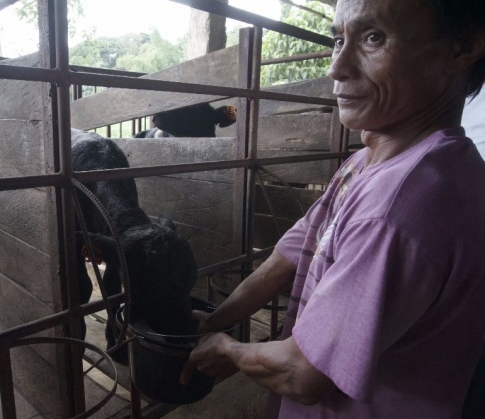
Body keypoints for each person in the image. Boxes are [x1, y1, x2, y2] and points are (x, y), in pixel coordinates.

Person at [180, 0, 485, 417]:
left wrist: (228, 350)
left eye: (374, 37)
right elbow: (286, 258)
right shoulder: (366, 163)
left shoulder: (401, 204)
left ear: (462, 46)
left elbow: (302, 373)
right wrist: (214, 322)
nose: (336, 67)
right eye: (338, 40)